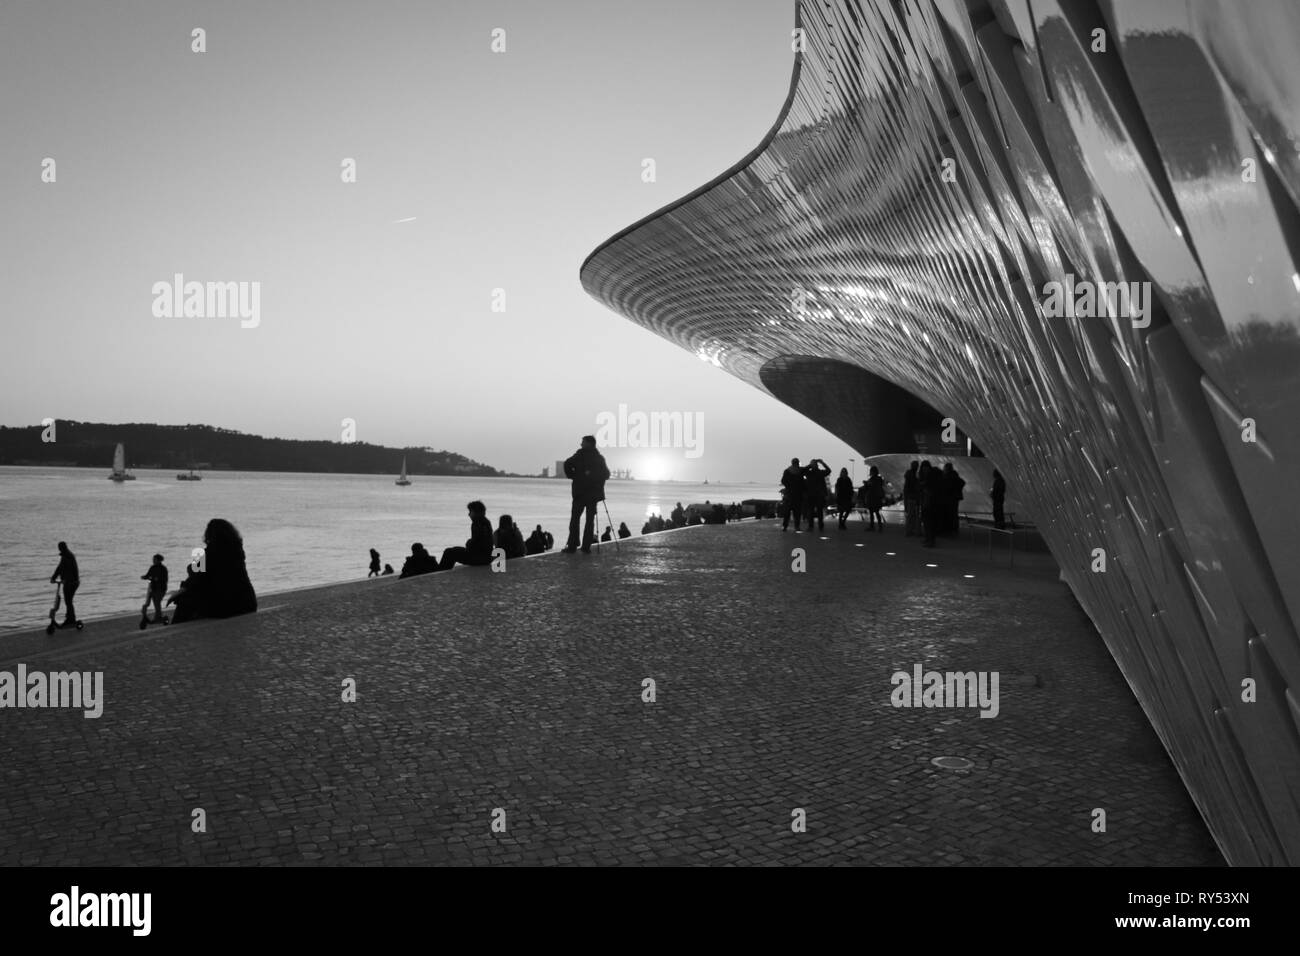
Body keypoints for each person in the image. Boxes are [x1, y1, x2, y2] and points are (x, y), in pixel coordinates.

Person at [167, 518, 257, 622]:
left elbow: (196, 578)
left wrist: (182, 589)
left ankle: (176, 625)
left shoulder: (208, 554)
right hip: (247, 603)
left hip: (228, 607)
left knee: (185, 597)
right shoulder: (237, 552)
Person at [562, 436, 610, 553]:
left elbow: (567, 464)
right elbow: (606, 474)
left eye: (583, 442)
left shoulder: (579, 455)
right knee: (590, 521)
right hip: (593, 495)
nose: (581, 444)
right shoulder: (599, 458)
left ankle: (573, 545)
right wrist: (596, 481)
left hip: (580, 493)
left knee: (575, 520)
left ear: (589, 443)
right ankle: (586, 546)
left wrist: (574, 476)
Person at [438, 501, 495, 570]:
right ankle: (443, 570)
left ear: (476, 512)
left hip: (480, 558)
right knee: (453, 550)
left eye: (470, 512)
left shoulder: (478, 523)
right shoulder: (484, 522)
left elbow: (477, 543)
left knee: (449, 552)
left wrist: (469, 542)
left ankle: (441, 570)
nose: (469, 514)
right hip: (485, 557)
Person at [49, 541, 80, 629]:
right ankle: (70, 618)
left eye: (60, 548)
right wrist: (53, 577)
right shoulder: (65, 555)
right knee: (68, 601)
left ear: (60, 548)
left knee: (68, 601)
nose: (60, 549)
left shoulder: (68, 556)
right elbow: (60, 568)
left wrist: (65, 580)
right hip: (69, 581)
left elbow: (70, 570)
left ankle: (71, 619)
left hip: (72, 582)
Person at [803, 458, 831, 531]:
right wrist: (811, 464)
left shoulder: (820, 472)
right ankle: (812, 526)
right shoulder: (809, 473)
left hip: (818, 495)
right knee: (812, 511)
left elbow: (829, 470)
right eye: (813, 464)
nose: (814, 465)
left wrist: (822, 462)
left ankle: (819, 526)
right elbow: (803, 470)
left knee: (818, 511)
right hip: (812, 495)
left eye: (814, 464)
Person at [141, 553, 169, 624]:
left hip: (160, 588)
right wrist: (144, 577)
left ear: (159, 560)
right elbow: (148, 575)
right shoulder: (152, 568)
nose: (153, 561)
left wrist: (156, 579)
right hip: (152, 588)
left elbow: (164, 579)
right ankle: (150, 616)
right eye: (153, 559)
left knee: (157, 603)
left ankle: (158, 617)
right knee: (149, 603)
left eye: (155, 559)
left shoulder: (163, 569)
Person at [920, 462, 942, 547]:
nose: (924, 470)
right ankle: (928, 539)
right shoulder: (929, 477)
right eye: (923, 468)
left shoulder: (931, 478)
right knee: (927, 521)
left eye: (925, 468)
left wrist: (925, 489)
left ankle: (930, 540)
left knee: (929, 522)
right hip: (927, 502)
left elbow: (932, 490)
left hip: (930, 503)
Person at [780, 458, 805, 531]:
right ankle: (796, 526)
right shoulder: (800, 471)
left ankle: (785, 526)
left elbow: (783, 481)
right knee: (797, 513)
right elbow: (803, 483)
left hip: (789, 494)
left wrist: (789, 486)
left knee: (787, 512)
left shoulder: (787, 471)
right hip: (797, 494)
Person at [943, 463, 965, 536]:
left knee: (949, 513)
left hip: (949, 498)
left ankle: (950, 529)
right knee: (954, 513)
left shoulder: (948, 476)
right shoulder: (955, 475)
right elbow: (962, 482)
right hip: (954, 498)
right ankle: (954, 529)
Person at [864, 465, 885, 532]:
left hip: (872, 498)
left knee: (872, 513)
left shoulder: (872, 479)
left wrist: (866, 484)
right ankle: (879, 526)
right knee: (876, 512)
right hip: (877, 498)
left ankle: (872, 526)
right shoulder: (879, 479)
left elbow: (869, 488)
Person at [903, 461, 920, 536]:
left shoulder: (909, 474)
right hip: (912, 497)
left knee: (911, 514)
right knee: (913, 515)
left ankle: (910, 530)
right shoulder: (913, 475)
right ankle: (910, 530)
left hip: (910, 496)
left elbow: (906, 488)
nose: (916, 467)